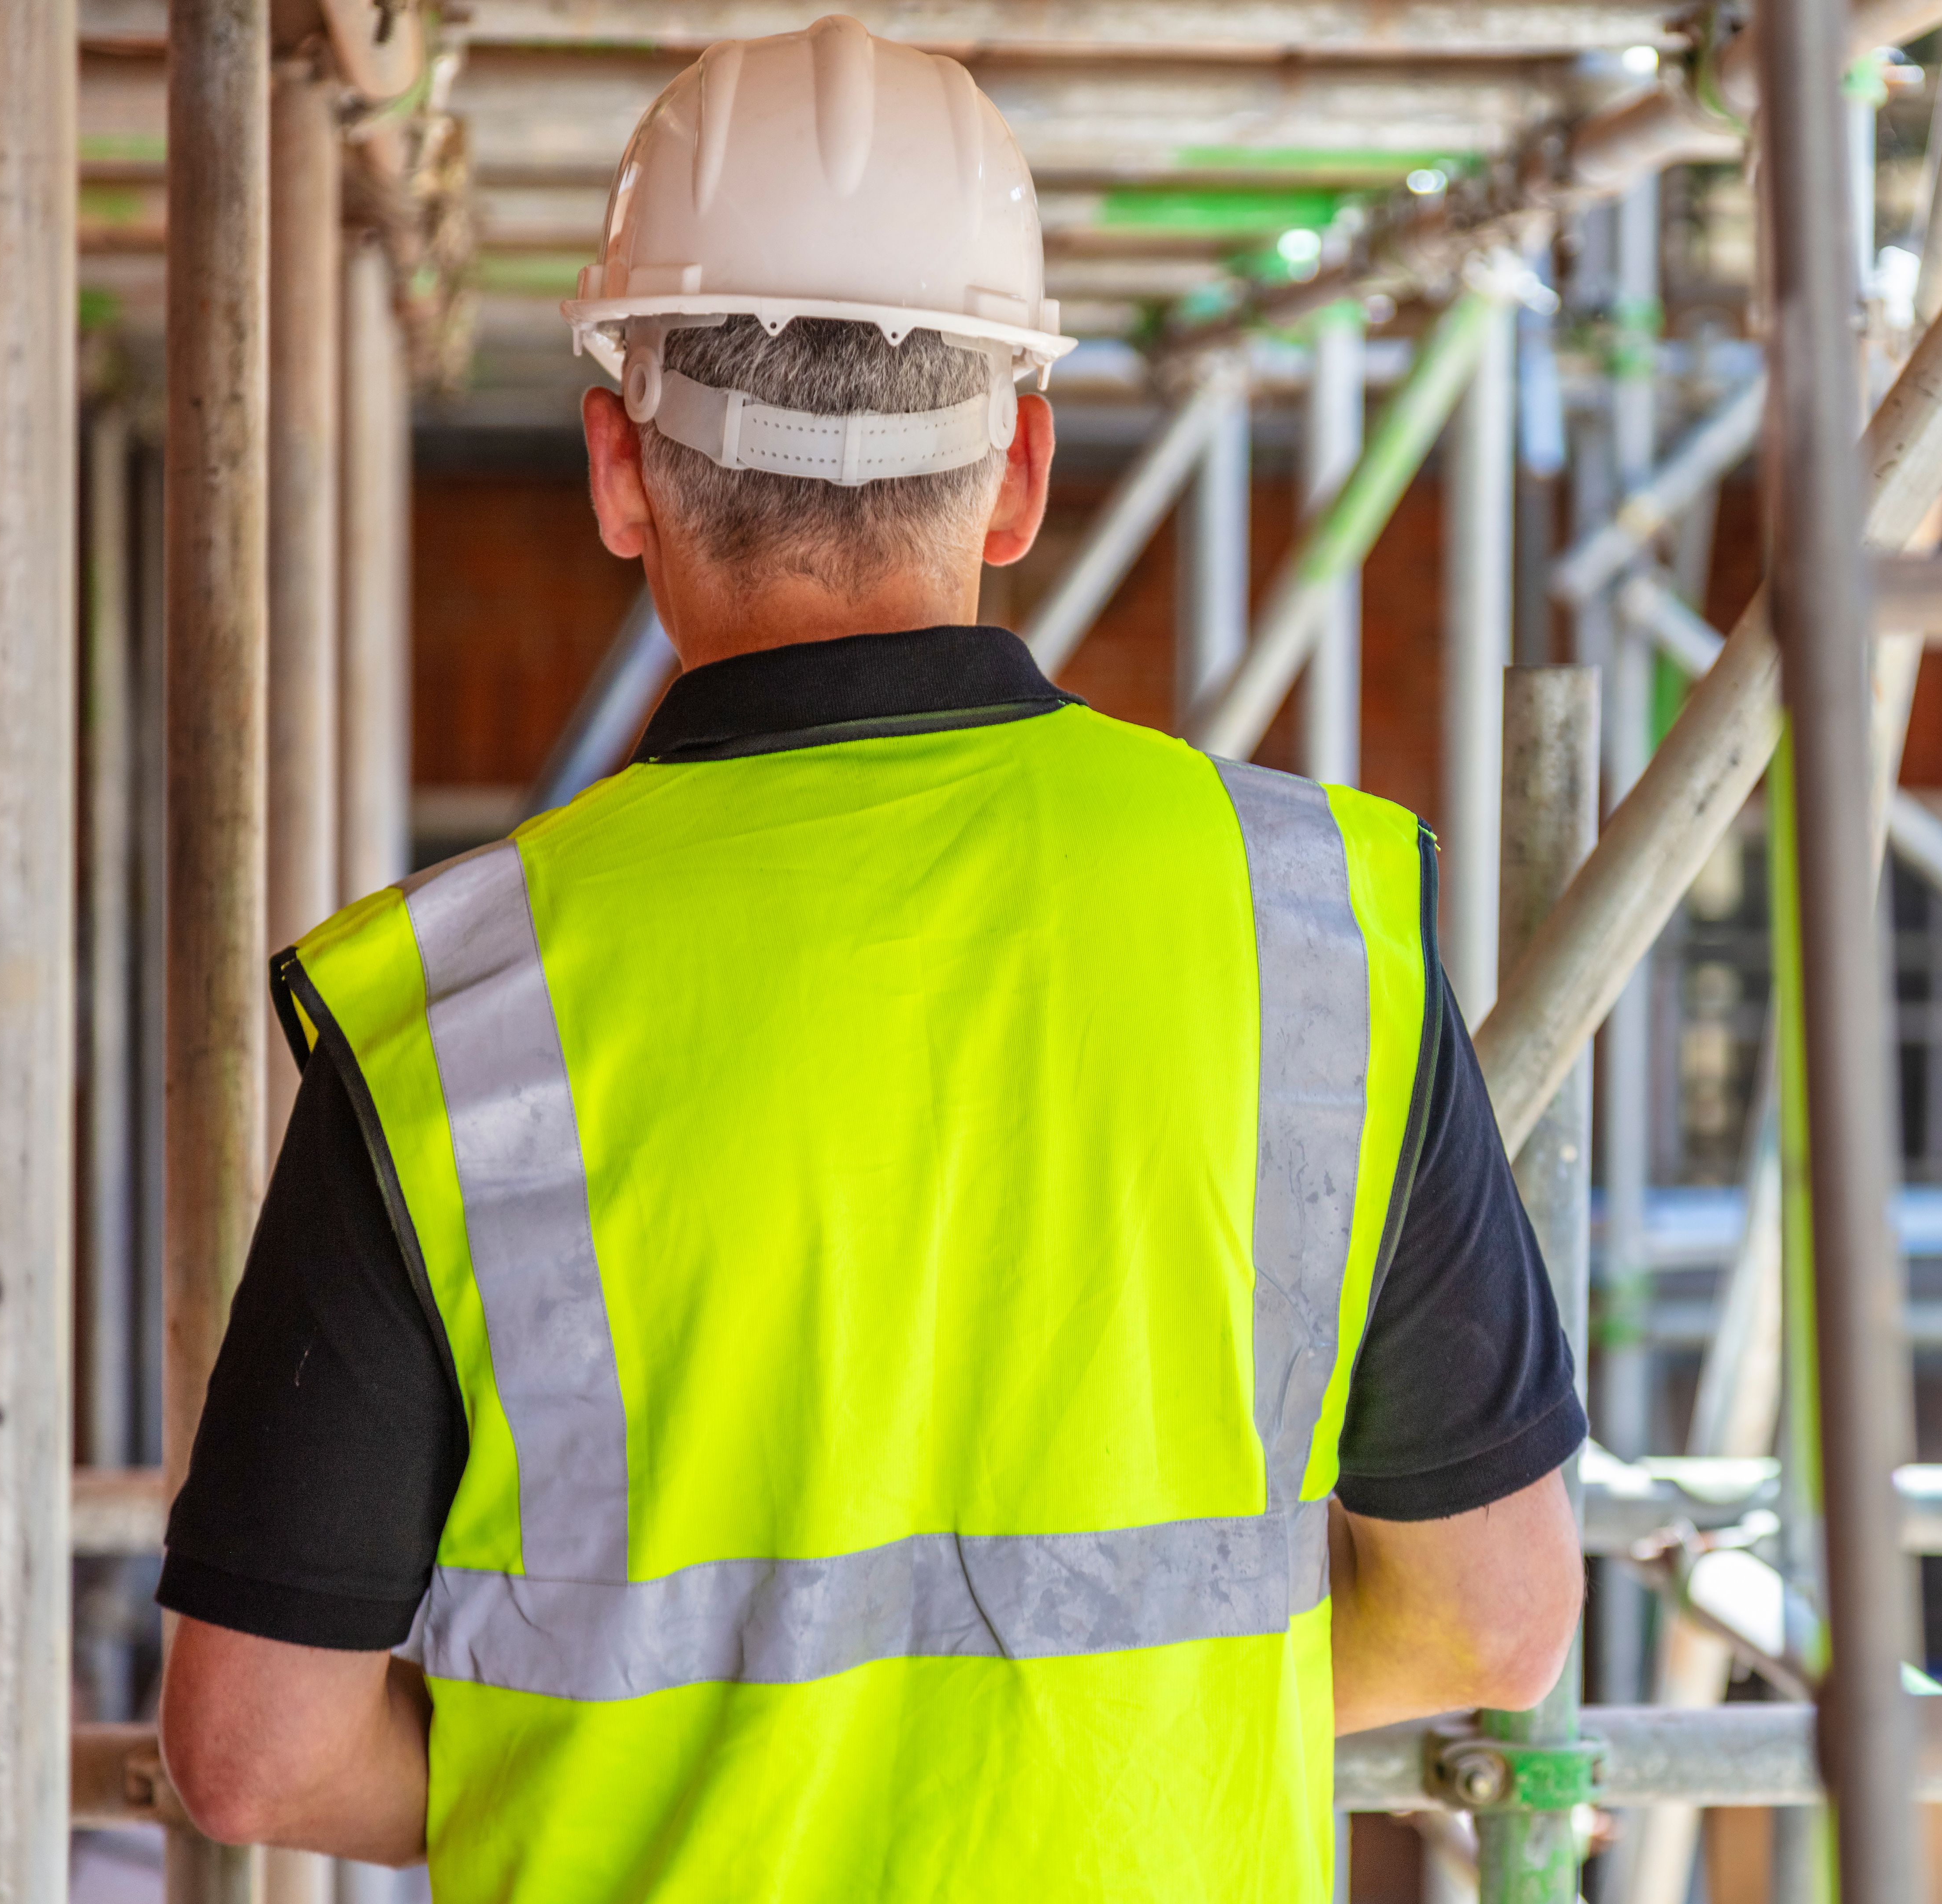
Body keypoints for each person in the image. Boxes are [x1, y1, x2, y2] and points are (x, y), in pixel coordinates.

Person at [154, 18, 1585, 1899]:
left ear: (617, 468)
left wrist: (643, 1776)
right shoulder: (1307, 923)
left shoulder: (460, 1013)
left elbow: (253, 1749)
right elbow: (1491, 1621)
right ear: (1018, 473)